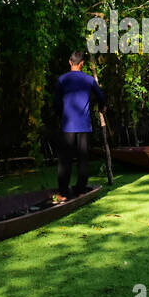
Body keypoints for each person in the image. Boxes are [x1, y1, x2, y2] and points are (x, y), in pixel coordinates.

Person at [53, 52, 106, 200]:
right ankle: (81, 190)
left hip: (67, 126)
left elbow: (56, 103)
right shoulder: (89, 79)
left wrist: (60, 115)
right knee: (83, 160)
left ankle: (63, 193)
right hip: (84, 127)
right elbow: (101, 96)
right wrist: (102, 107)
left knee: (65, 161)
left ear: (70, 62)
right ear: (82, 63)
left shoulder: (62, 80)